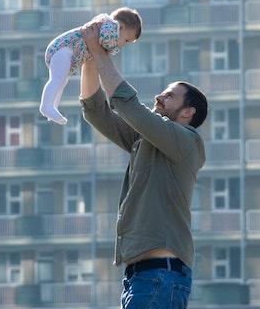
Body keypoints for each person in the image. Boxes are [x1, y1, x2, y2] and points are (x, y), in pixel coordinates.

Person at [78, 23, 208, 309]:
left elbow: (131, 107)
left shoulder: (188, 142)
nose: (159, 97)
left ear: (188, 112)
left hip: (161, 275)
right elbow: (97, 112)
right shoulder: (146, 139)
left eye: (169, 96)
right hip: (142, 277)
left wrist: (100, 51)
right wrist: (89, 58)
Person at [40, 7, 142, 125]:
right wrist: (114, 48)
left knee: (62, 81)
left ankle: (53, 106)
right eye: (126, 40)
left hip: (66, 53)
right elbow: (106, 42)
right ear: (121, 27)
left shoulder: (106, 26)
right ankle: (46, 106)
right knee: (57, 79)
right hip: (63, 50)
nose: (123, 44)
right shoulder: (109, 26)